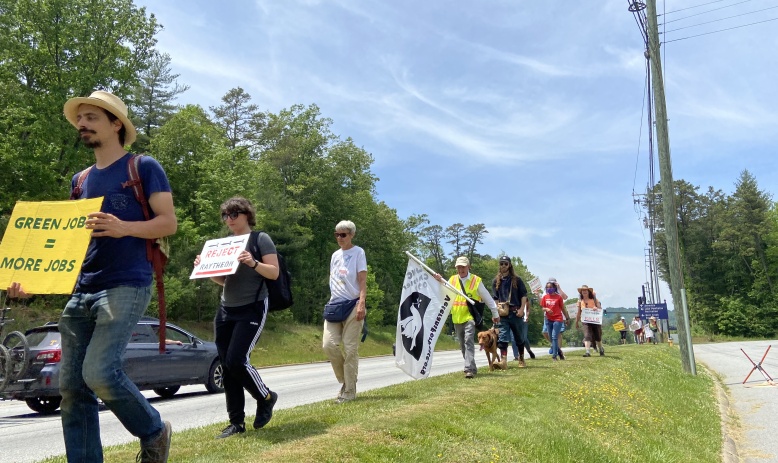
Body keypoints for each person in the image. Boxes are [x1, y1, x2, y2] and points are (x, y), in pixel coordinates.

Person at [8, 90, 177, 462]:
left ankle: (154, 430)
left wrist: (124, 227)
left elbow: (168, 223)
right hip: (82, 289)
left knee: (99, 372)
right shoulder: (80, 179)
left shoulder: (143, 167)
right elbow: (65, 242)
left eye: (91, 117)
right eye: (79, 118)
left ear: (116, 124)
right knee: (71, 387)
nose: (82, 124)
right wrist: (27, 280)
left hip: (126, 284)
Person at [194, 197, 280, 438]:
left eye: (234, 214)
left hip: (252, 307)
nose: (229, 219)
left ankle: (266, 397)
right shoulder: (225, 244)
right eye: (226, 216)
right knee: (227, 366)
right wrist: (205, 268)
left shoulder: (259, 239)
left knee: (236, 360)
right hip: (225, 309)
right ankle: (236, 422)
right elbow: (223, 280)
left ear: (246, 215)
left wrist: (253, 263)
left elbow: (273, 273)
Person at [323, 220, 367, 403]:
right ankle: (346, 382)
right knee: (329, 345)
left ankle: (349, 391)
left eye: (343, 234)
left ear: (352, 235)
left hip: (353, 305)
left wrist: (362, 303)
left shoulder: (359, 253)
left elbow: (362, 280)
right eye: (337, 234)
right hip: (334, 305)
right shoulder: (335, 255)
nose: (340, 238)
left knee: (350, 349)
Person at [433, 256, 499, 378]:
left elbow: (488, 298)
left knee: (469, 341)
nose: (461, 269)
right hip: (457, 317)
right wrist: (439, 280)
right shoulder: (452, 280)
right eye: (459, 267)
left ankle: (468, 369)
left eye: (463, 267)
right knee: (463, 345)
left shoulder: (476, 281)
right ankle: (472, 367)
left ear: (468, 267)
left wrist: (495, 313)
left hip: (470, 317)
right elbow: (443, 291)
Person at [492, 256, 529, 368]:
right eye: (501, 263)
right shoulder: (495, 281)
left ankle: (521, 359)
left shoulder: (517, 280)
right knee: (502, 337)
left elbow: (524, 295)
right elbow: (495, 298)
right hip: (502, 313)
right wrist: (495, 313)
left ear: (509, 265)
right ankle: (503, 361)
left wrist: (522, 309)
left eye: (505, 264)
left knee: (519, 337)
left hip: (515, 312)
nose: (503, 266)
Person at [540, 280, 570, 361]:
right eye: (547, 288)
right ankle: (560, 352)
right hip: (548, 319)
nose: (549, 289)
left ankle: (554, 356)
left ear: (554, 288)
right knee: (551, 337)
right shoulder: (545, 297)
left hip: (558, 319)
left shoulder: (558, 297)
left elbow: (563, 308)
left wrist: (567, 318)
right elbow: (542, 307)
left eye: (550, 287)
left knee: (554, 336)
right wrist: (546, 309)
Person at [575, 285, 605, 357]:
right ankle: (587, 352)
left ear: (589, 292)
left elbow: (600, 308)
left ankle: (601, 349)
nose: (584, 291)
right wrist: (576, 322)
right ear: (581, 293)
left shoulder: (594, 300)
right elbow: (578, 312)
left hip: (595, 320)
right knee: (587, 335)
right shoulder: (580, 301)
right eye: (583, 290)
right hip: (585, 321)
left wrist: (596, 308)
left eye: (586, 290)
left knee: (597, 336)